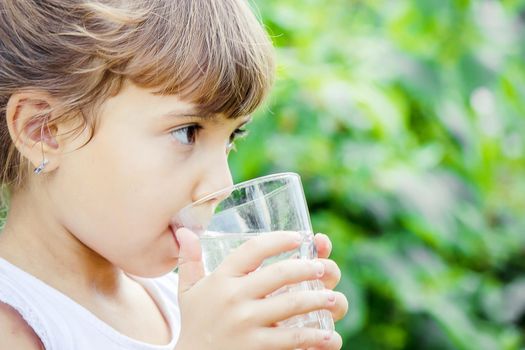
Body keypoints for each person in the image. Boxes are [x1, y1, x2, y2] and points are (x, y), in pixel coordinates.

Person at [0, 0, 348, 349]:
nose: (221, 185)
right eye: (187, 132)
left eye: (232, 138)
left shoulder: (181, 302)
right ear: (43, 129)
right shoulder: (14, 324)